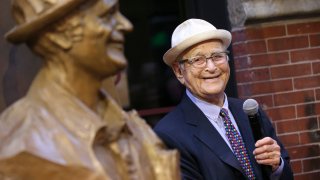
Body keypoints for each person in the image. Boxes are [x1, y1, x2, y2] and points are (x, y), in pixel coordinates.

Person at [0, 0, 179, 179]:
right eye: (107, 16)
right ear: (57, 36)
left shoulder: (135, 130)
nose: (127, 25)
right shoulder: (21, 143)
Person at [154, 18, 293, 180]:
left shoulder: (250, 112)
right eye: (198, 60)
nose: (211, 67)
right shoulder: (168, 135)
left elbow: (286, 176)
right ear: (179, 71)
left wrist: (277, 166)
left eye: (217, 56)